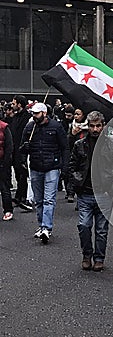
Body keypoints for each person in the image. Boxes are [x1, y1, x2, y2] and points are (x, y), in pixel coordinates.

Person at [69, 111, 113, 271]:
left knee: (101, 230)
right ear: (88, 127)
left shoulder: (111, 144)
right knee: (84, 226)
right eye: (92, 126)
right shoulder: (79, 144)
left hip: (104, 194)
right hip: (85, 193)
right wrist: (75, 185)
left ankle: (99, 258)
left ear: (103, 126)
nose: (95, 129)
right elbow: (72, 166)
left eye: (98, 126)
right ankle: (87, 254)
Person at [20, 103, 67, 243]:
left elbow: (65, 147)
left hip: (52, 166)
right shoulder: (30, 127)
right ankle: (42, 225)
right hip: (35, 166)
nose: (34, 116)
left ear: (44, 113)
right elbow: (22, 147)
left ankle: (46, 227)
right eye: (33, 113)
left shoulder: (56, 127)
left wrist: (64, 166)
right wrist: (24, 151)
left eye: (37, 113)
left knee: (49, 199)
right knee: (39, 199)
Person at [11, 95, 33, 211]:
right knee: (18, 173)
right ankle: (19, 195)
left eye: (14, 103)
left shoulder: (28, 118)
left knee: (23, 173)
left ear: (19, 104)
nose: (12, 105)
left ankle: (23, 196)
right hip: (15, 149)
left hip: (23, 149)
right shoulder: (15, 117)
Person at [0, 118, 14, 221]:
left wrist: (6, 162)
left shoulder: (4, 127)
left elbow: (9, 146)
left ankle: (8, 210)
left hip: (2, 162)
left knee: (4, 186)